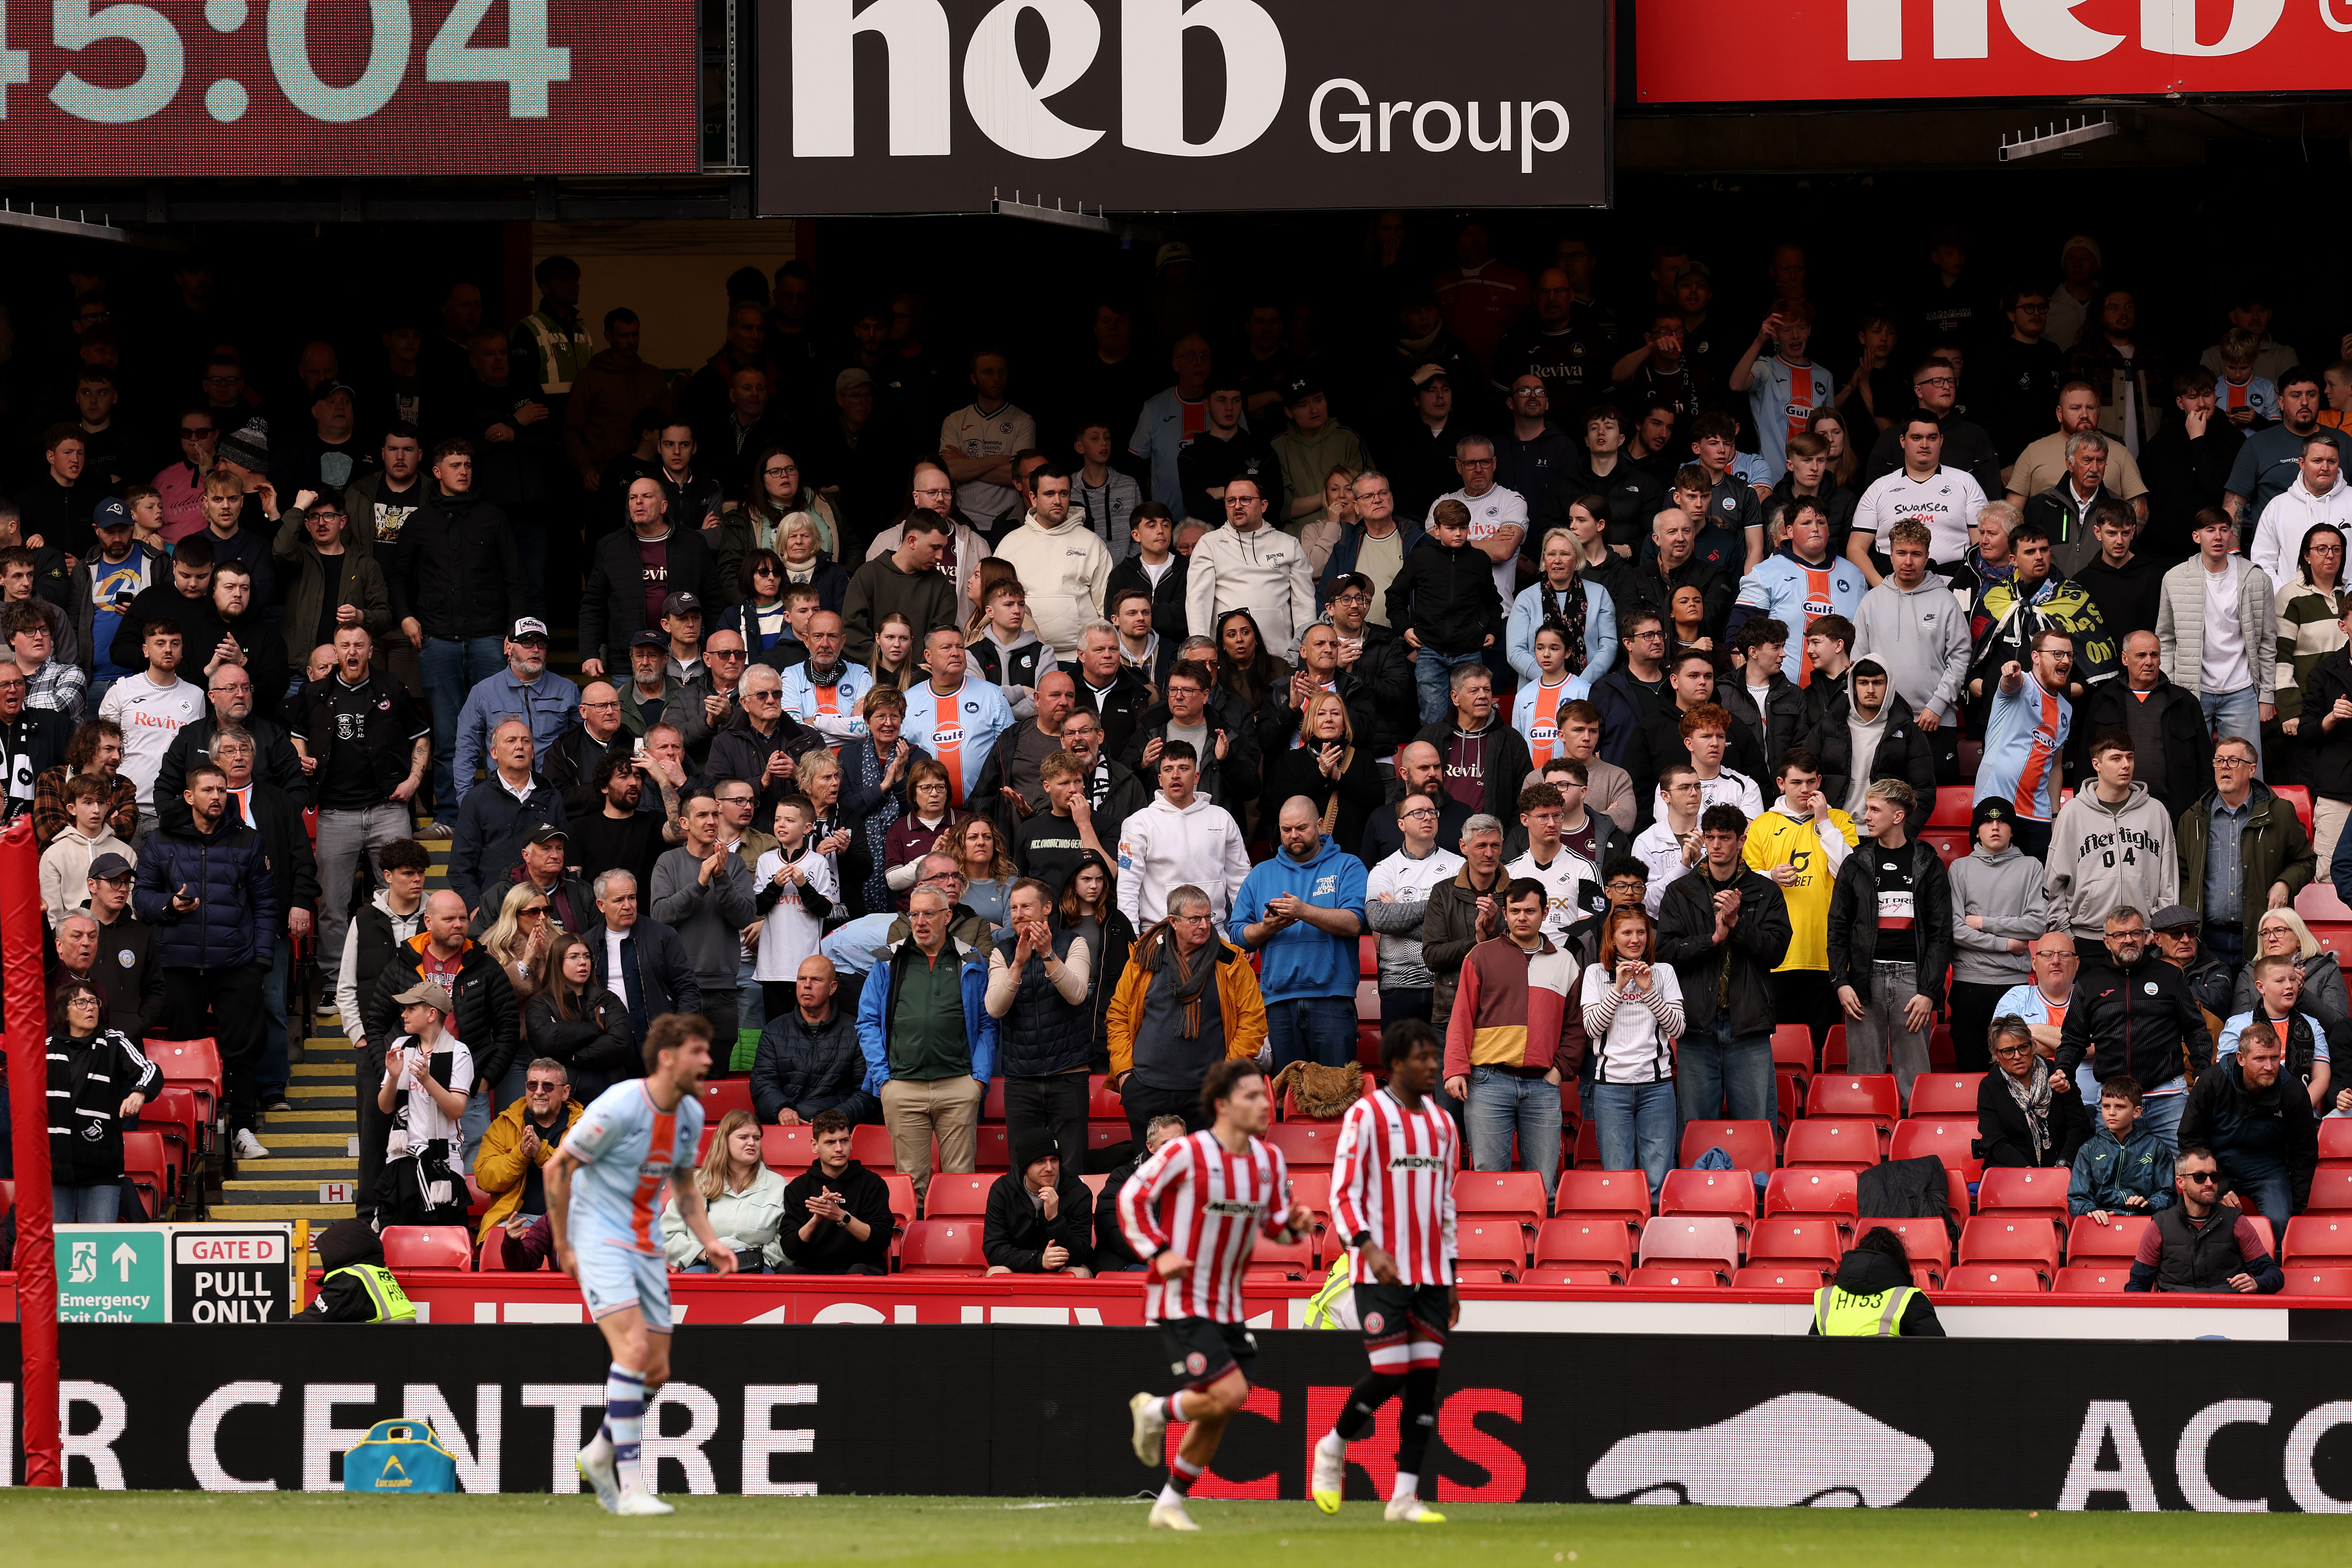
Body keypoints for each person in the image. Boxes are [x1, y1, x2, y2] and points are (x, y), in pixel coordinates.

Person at [546, 1012, 735, 1516]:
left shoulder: (690, 1112)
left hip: (646, 1239)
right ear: (668, 1058)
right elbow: (557, 1167)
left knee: (656, 1367)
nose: (708, 1060)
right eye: (698, 1051)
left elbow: (685, 1185)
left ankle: (599, 1451)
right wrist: (565, 1245)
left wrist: (711, 1242)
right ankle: (629, 1487)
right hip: (597, 1235)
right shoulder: (622, 1104)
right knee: (631, 1349)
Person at [1118, 1057, 1309, 1533]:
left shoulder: (1268, 1160)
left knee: (1223, 1405)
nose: (1265, 1103)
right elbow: (1130, 1197)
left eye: (1265, 1095)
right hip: (1181, 1295)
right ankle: (1155, 1409)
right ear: (1222, 1104)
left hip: (1227, 1302)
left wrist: (1294, 1226)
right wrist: (1159, 1250)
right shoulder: (1188, 1152)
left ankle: (1168, 1502)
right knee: (1229, 1392)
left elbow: (1275, 1227)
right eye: (1251, 1096)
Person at [1311, 1019, 1460, 1523]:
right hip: (1379, 1270)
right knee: (1391, 1370)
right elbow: (1342, 1192)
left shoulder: (1443, 1124)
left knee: (1424, 1381)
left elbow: (1445, 1204)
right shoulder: (1366, 1114)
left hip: (1431, 1273)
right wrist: (1367, 1248)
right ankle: (1333, 1445)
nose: (1433, 1065)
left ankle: (1403, 1498)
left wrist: (1451, 1275)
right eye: (1423, 1057)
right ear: (1396, 1063)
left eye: (1435, 1056)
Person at [133, 759, 274, 1164]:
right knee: (182, 1049)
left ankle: (243, 1129)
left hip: (237, 963)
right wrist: (169, 904)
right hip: (178, 963)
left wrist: (261, 960)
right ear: (189, 796)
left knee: (242, 1050)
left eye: (222, 789)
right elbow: (141, 897)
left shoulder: (248, 840)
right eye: (208, 790)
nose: (217, 796)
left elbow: (266, 904)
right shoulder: (160, 839)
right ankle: (189, 1134)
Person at [386, 440, 526, 832]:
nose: (463, 471)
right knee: (448, 734)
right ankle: (449, 815)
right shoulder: (420, 521)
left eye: (467, 464)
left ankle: (500, 811)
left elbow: (517, 580)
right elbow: (397, 576)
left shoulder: (492, 517)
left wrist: (514, 633)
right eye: (455, 465)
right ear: (437, 472)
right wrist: (406, 617)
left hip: (490, 638)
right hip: (437, 640)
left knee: (500, 731)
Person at [302, 623, 431, 978]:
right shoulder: (315, 693)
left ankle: (404, 974)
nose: (353, 651)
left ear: (371, 651)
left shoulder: (393, 688)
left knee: (402, 896)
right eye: (345, 645)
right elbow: (297, 734)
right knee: (332, 904)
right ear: (337, 652)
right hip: (335, 813)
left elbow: (421, 737)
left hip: (388, 808)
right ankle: (335, 979)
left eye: (359, 645)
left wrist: (414, 781)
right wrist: (301, 755)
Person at [1442, 877, 1584, 1197]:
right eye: (1515, 910)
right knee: (1489, 1182)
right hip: (1488, 1082)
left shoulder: (1565, 962)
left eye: (1530, 911)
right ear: (1504, 913)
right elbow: (1461, 1017)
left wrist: (1559, 1071)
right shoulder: (1480, 955)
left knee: (1542, 1185)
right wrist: (1455, 1069)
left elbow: (1575, 1027)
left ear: (1545, 913)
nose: (1522, 917)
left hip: (1543, 1085)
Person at [856, 885, 993, 1209]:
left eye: (929, 914)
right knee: (911, 1186)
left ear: (947, 916)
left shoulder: (970, 958)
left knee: (960, 1183)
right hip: (902, 1086)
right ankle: (915, 1240)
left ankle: (958, 1240)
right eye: (914, 914)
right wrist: (883, 1080)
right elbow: (867, 1021)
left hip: (958, 1085)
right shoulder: (889, 959)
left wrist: (978, 1080)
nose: (919, 922)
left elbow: (988, 1023)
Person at [1654, 802, 1791, 1126]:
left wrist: (1737, 924)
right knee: (1695, 1128)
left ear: (1741, 840)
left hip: (1748, 1024)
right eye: (1710, 837)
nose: (1716, 845)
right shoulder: (1679, 891)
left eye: (1725, 837)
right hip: (1696, 1024)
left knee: (1755, 1128)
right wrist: (1712, 939)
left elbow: (1776, 952)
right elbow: (1665, 953)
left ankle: (1756, 1169)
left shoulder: (1766, 891)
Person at [1106, 883, 1268, 1145]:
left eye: (1208, 917)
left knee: (1206, 1167)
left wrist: (1225, 1076)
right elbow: (1119, 1016)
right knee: (1152, 1167)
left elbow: (1253, 1022)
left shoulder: (1231, 962)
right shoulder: (1143, 958)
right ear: (1174, 921)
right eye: (1195, 919)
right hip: (1146, 1088)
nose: (1204, 925)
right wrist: (1125, 1074)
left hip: (1205, 1093)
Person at [1827, 779, 1951, 1103]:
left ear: (1898, 816)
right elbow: (1837, 928)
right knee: (1863, 1082)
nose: (1865, 816)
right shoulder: (1855, 863)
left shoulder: (1928, 863)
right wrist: (1841, 981)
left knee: (1914, 1082)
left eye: (1874, 809)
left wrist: (1929, 991)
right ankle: (1866, 1134)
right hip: (1863, 980)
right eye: (1867, 808)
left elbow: (1941, 933)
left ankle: (1913, 1135)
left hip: (1913, 981)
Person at [2059, 906, 2214, 1152]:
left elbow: (2195, 1029)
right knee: (2112, 1172)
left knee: (2184, 1169)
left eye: (2135, 933)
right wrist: (2063, 1069)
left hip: (2168, 1098)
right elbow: (2073, 1039)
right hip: (2115, 1102)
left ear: (2146, 937)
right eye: (2120, 935)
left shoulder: (2170, 976)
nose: (2128, 940)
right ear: (2107, 942)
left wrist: (2202, 1067)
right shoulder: (2089, 983)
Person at [1235, 797, 1367, 1069]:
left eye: (1301, 828)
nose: (1293, 835)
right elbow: (1237, 935)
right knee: (1290, 1090)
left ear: (1320, 825)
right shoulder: (1260, 874)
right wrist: (1267, 928)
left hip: (1332, 998)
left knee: (1336, 1089)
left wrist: (1303, 910)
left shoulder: (1347, 865)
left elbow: (1355, 922)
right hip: (1279, 1001)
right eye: (1286, 829)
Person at [2177, 735, 2315, 974]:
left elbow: (2306, 861)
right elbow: (2182, 876)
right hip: (2208, 940)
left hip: (2262, 940)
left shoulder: (2280, 813)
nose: (2224, 768)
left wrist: (2285, 883)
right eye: (2219, 761)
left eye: (2233, 761)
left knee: (2256, 998)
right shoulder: (2193, 819)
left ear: (2252, 770)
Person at [1578, 903, 1686, 1197]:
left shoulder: (1663, 972)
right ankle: (1624, 1226)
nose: (1635, 939)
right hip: (1611, 1088)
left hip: (1657, 1086)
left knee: (1658, 1178)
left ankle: (1654, 1225)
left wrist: (1649, 991)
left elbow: (1677, 1029)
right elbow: (1592, 1029)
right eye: (1627, 933)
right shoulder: (1595, 973)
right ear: (1613, 939)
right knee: (1618, 1177)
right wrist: (1617, 989)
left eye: (1641, 932)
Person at [2180, 1015, 2321, 1240]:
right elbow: (2190, 1137)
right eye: (2260, 1059)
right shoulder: (2212, 1081)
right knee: (2196, 1222)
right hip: (2216, 1167)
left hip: (2268, 1170)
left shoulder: (2293, 1092)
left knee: (2279, 1222)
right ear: (2241, 1058)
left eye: (2275, 1058)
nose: (2269, 1067)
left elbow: (2305, 1151)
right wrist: (2218, 1183)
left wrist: (2295, 1206)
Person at [2158, 509, 2277, 768]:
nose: (2218, 536)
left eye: (2224, 530)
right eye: (2210, 530)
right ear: (2196, 536)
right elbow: (2165, 639)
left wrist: (2267, 694)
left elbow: (2267, 641)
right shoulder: (2175, 578)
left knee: (2245, 771)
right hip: (2191, 691)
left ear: (2232, 535)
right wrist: (2170, 689)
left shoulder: (2256, 578)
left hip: (2241, 690)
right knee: (2190, 770)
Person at [40, 978, 160, 1222]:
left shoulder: (114, 1042)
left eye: (94, 1002)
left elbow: (150, 1070)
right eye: (81, 1002)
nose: (91, 1008)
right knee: (56, 1243)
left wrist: (139, 1092)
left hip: (102, 1166)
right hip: (55, 1166)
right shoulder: (46, 1049)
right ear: (64, 1012)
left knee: (101, 1240)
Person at [2044, 731, 2179, 945]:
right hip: (2087, 937)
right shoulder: (2072, 813)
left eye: (2130, 757)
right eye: (2116, 758)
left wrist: (2159, 928)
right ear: (2096, 764)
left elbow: (2169, 881)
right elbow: (2054, 881)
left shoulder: (2156, 811)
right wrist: (2066, 935)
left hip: (2142, 938)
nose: (2126, 765)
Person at [2070, 629, 2213, 826]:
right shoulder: (2104, 700)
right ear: (2125, 659)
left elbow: (2205, 763)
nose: (2149, 662)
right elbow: (2087, 761)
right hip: (2114, 811)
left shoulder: (2184, 701)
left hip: (2175, 814)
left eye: (2154, 655)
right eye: (2141, 655)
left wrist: (2203, 811)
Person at [1945, 798, 2046, 1072]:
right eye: (1987, 821)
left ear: (2012, 831)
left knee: (2015, 1071)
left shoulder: (2031, 867)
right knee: (1970, 1068)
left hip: (2013, 985)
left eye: (2002, 821)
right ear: (1977, 832)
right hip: (1969, 983)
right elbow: (1956, 930)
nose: (1995, 827)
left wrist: (1982, 922)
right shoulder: (1959, 868)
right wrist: (2006, 944)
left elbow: (2036, 925)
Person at [1115, 743, 1251, 937]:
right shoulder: (1138, 823)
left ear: (1196, 777)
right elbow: (1128, 885)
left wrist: (1246, 931)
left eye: (1184, 768)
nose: (1176, 775)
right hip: (1159, 932)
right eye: (1168, 770)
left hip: (1214, 930)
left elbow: (1241, 879)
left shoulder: (1222, 818)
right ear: (1160, 780)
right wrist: (1132, 934)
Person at [371, 979, 473, 1226]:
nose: (403, 1014)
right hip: (402, 1159)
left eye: (411, 1008)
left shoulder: (459, 1052)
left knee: (441, 1237)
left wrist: (427, 1080)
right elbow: (385, 1107)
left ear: (432, 1015)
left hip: (443, 1162)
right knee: (397, 1237)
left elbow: (456, 1110)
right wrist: (394, 1077)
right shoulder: (400, 1047)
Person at [1186, 476, 1318, 662]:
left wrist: (1304, 654)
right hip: (1228, 660)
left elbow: (1304, 603)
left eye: (1245, 500)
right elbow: (1198, 601)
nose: (1237, 506)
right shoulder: (1210, 544)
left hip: (1281, 657)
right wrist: (1201, 652)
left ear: (1264, 506)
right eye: (1231, 501)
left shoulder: (1289, 544)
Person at [2123, 1144, 2285, 1294]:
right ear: (2181, 1182)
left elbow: (2274, 1274)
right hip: (2176, 1312)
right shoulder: (2160, 1226)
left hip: (2227, 1310)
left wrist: (2256, 1283)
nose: (2209, 1183)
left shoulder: (2237, 1222)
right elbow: (2137, 1285)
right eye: (2199, 1177)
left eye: (2214, 1177)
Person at [1975, 630, 2076, 862]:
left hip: (2038, 815)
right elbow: (2012, 682)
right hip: (1996, 805)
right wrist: (2012, 672)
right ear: (2036, 657)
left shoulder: (2066, 710)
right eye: (2058, 654)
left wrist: (2055, 815)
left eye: (2070, 655)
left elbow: (2056, 766)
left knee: (2036, 879)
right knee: (1995, 877)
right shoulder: (2023, 686)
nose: (2066, 661)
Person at [1366, 793, 1464, 1032]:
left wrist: (1398, 916)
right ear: (1401, 824)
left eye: (1432, 812)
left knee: (1445, 1057)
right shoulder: (1384, 869)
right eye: (1418, 813)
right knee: (1401, 1058)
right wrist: (1437, 905)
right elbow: (1378, 919)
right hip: (1398, 986)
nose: (1428, 818)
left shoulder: (1459, 867)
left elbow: (1459, 927)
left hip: (1447, 986)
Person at [473, 1056, 583, 1254]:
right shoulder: (505, 1123)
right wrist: (520, 1156)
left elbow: (587, 1182)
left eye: (548, 1086)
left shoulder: (585, 1127)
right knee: (498, 1245)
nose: (539, 1092)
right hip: (515, 1219)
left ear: (565, 1092)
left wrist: (542, 1153)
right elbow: (485, 1180)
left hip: (570, 1222)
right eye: (533, 1085)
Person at [524, 933, 636, 1109]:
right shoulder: (542, 1003)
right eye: (574, 957)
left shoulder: (608, 1000)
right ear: (558, 962)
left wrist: (570, 1053)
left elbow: (622, 1044)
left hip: (609, 1103)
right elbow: (547, 1041)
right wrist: (598, 1029)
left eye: (586, 956)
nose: (583, 962)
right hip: (563, 1106)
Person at [2221, 953, 2335, 1114]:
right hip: (2248, 1115)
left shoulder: (2312, 1025)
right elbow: (2225, 1075)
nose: (2289, 986)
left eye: (2293, 980)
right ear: (2261, 987)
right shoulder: (2238, 1025)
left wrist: (2297, 1111)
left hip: (2301, 1113)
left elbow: (2322, 1078)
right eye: (2280, 981)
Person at [1976, 1015, 2089, 1170]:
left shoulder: (2057, 1075)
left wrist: (2063, 1164)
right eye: (2008, 1051)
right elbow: (1996, 1142)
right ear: (1996, 1055)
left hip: (2064, 1165)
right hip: (2014, 1169)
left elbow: (2079, 1125)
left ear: (2033, 1045)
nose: (2018, 1056)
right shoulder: (1990, 1087)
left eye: (2023, 1048)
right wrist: (2029, 1174)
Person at [2230, 908, 2352, 1051]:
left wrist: (2302, 995)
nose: (2271, 938)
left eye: (2279, 931)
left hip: (2316, 1053)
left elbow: (2339, 1027)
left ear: (2299, 939)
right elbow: (2239, 1029)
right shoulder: (2249, 974)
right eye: (2266, 933)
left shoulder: (2326, 970)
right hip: (2263, 1055)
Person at [983, 1130, 1095, 1277]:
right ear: (1025, 1166)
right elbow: (994, 1249)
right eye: (1040, 1161)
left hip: (1063, 1267)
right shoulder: (1003, 1190)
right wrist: (1039, 1260)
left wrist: (1055, 1219)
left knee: (1079, 1274)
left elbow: (1080, 1254)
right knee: (997, 1273)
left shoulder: (1078, 1192)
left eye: (1054, 1160)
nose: (1049, 1168)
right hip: (1019, 1265)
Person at [2070, 1075, 2176, 1225]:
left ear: (2136, 1112)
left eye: (2120, 1107)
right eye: (2107, 1106)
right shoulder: (2089, 1149)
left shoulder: (2156, 1148)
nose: (2112, 1113)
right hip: (2102, 1223)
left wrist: (2149, 1205)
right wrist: (2091, 1211)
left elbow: (2169, 1194)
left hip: (2144, 1222)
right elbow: (2077, 1198)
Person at [1808, 1225, 1946, 1336]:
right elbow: (1939, 1352)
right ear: (1898, 1265)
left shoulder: (1827, 1298)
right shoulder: (1907, 1299)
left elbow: (1812, 1354)